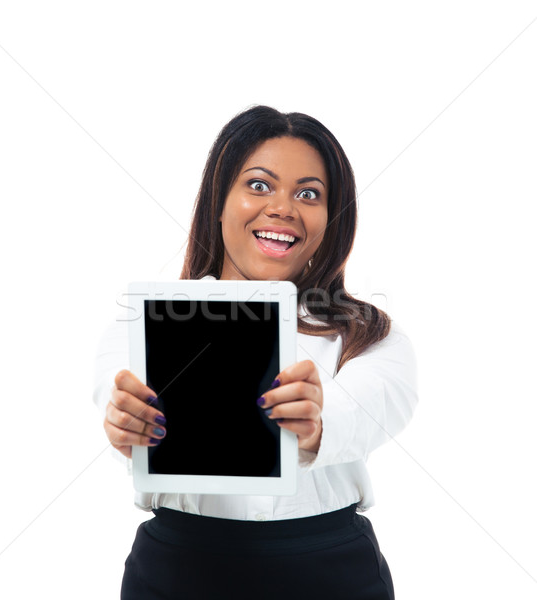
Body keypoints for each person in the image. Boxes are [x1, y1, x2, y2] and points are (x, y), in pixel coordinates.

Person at [93, 105, 418, 599]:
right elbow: (116, 393)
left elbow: (377, 406)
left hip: (329, 571)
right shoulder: (142, 323)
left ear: (330, 219)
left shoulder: (371, 336)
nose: (283, 207)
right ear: (219, 202)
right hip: (180, 569)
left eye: (308, 193)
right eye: (259, 185)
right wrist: (126, 423)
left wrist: (317, 423)